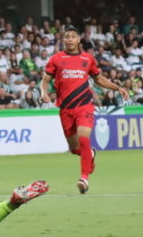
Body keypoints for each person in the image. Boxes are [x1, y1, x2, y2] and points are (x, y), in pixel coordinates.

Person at [40, 25, 129, 194]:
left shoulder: (87, 59)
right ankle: (90, 154)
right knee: (75, 149)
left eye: (73, 36)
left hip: (85, 105)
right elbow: (45, 80)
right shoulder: (56, 59)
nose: (70, 39)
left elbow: (99, 80)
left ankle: (84, 178)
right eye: (67, 36)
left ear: (78, 39)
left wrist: (117, 88)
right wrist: (44, 93)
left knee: (84, 138)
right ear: (63, 39)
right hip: (66, 109)